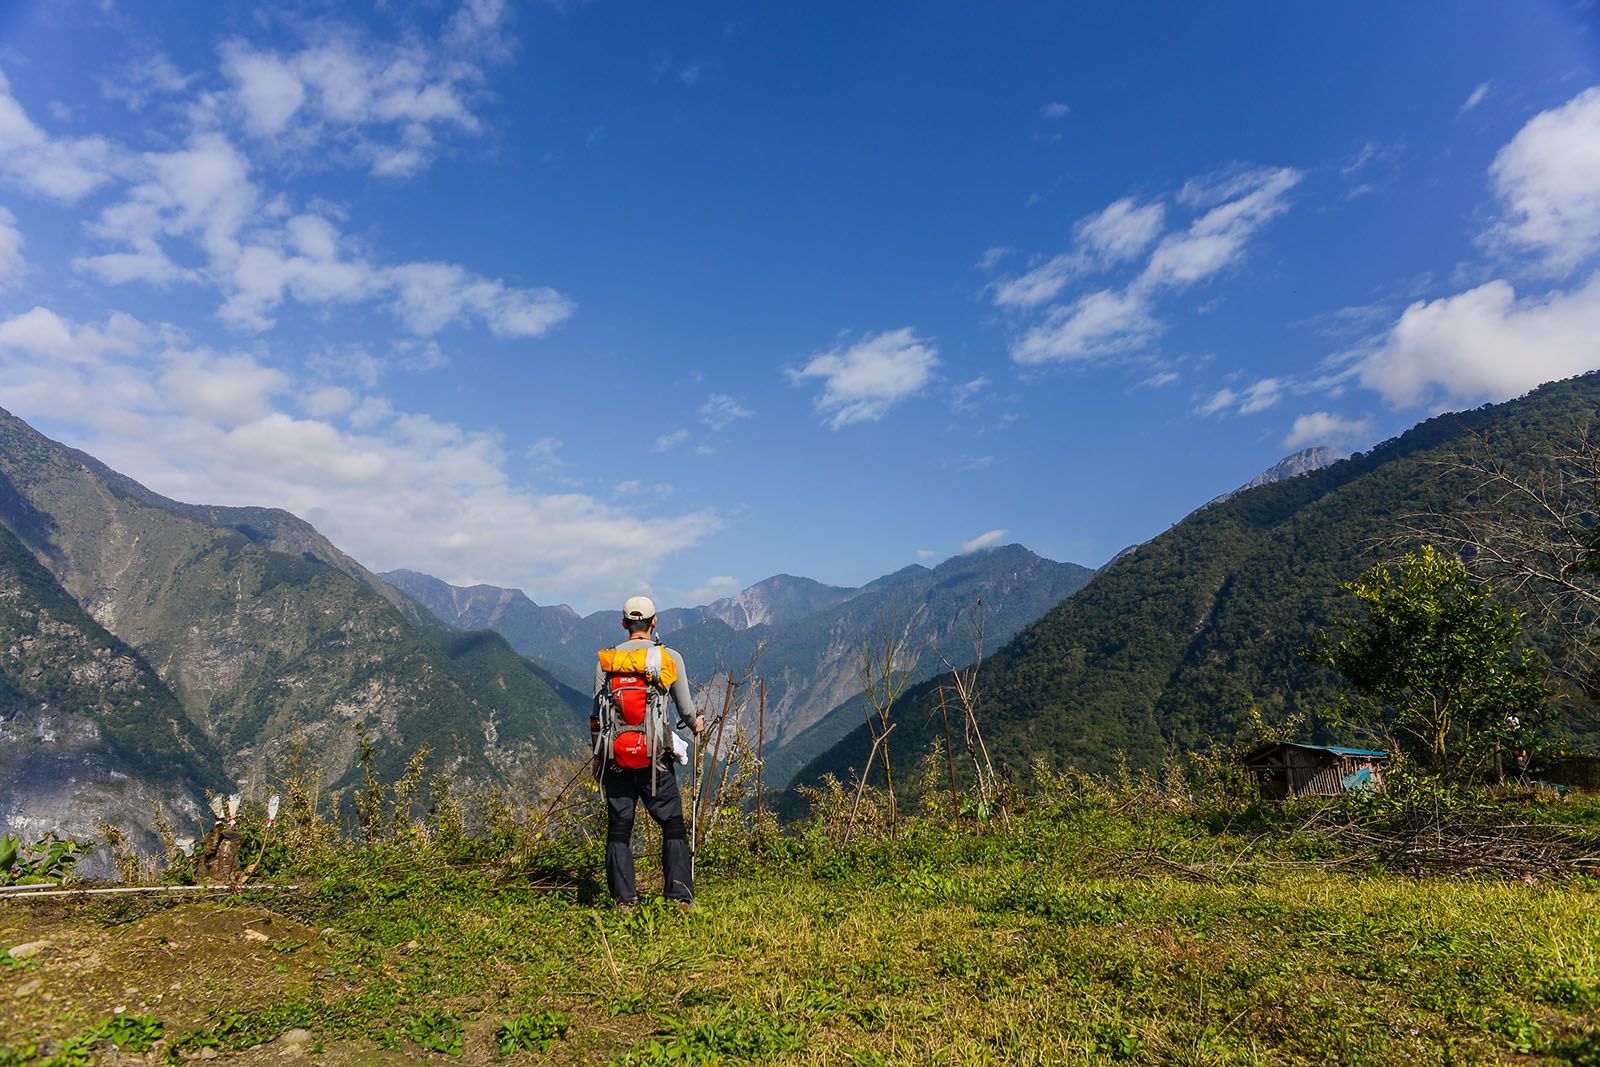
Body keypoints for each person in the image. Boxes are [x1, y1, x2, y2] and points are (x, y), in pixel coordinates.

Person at [593, 596, 704, 911]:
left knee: (619, 826)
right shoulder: (668, 658)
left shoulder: (609, 660)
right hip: (655, 758)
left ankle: (625, 902)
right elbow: (685, 710)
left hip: (615, 759)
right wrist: (696, 724)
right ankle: (680, 897)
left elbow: (596, 715)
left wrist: (599, 758)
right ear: (654, 622)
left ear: (623, 623)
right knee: (671, 824)